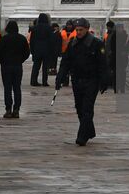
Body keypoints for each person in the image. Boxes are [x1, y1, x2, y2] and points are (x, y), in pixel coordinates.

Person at [55, 17, 108, 145]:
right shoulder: (72, 43)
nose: (78, 32)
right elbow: (65, 62)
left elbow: (103, 64)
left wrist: (104, 80)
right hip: (77, 80)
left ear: (87, 29)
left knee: (87, 108)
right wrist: (60, 77)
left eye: (81, 30)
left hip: (91, 80)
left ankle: (82, 136)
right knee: (79, 108)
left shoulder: (96, 43)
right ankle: (89, 131)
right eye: (77, 30)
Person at [0, 20, 30, 118]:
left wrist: (2, 61)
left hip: (6, 66)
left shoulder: (4, 39)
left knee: (7, 88)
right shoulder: (22, 39)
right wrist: (20, 60)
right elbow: (27, 52)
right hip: (17, 66)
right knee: (17, 88)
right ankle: (16, 109)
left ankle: (8, 109)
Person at [30, 12, 53, 87]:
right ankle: (44, 81)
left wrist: (32, 50)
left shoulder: (35, 28)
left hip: (37, 49)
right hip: (46, 50)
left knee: (36, 66)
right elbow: (51, 40)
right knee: (45, 67)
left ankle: (33, 80)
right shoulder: (49, 28)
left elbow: (32, 40)